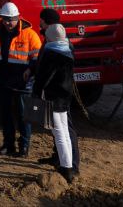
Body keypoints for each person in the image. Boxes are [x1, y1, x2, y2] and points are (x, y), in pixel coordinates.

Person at [0, 1, 43, 157]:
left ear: (18, 18)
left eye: (11, 19)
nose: (8, 23)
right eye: (5, 19)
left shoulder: (30, 34)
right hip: (3, 80)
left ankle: (24, 147)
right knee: (5, 114)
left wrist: (30, 70)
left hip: (22, 82)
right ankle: (8, 145)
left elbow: (37, 58)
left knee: (24, 115)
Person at [32, 23, 79, 183]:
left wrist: (36, 94)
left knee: (58, 133)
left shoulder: (51, 54)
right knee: (65, 131)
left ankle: (66, 168)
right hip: (65, 97)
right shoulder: (68, 50)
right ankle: (70, 165)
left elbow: (43, 78)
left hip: (53, 97)